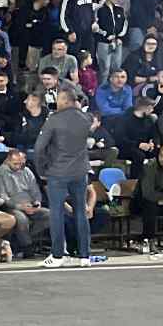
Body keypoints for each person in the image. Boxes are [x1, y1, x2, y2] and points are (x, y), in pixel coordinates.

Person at [33, 84, 98, 267]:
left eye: (59, 98)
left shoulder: (54, 119)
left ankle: (57, 255)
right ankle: (85, 256)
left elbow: (39, 148)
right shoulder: (86, 118)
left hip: (58, 172)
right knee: (81, 212)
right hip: (80, 171)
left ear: (65, 100)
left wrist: (42, 170)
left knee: (57, 213)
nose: (56, 101)